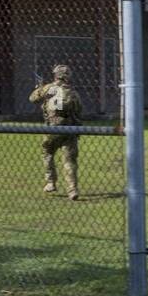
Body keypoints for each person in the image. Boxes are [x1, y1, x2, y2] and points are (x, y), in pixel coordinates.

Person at [30, 64, 83, 201]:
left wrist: (38, 88)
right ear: (68, 77)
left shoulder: (47, 88)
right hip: (69, 129)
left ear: (55, 75)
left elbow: (32, 99)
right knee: (69, 161)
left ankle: (50, 182)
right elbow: (79, 110)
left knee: (47, 153)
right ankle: (72, 190)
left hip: (52, 128)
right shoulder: (72, 92)